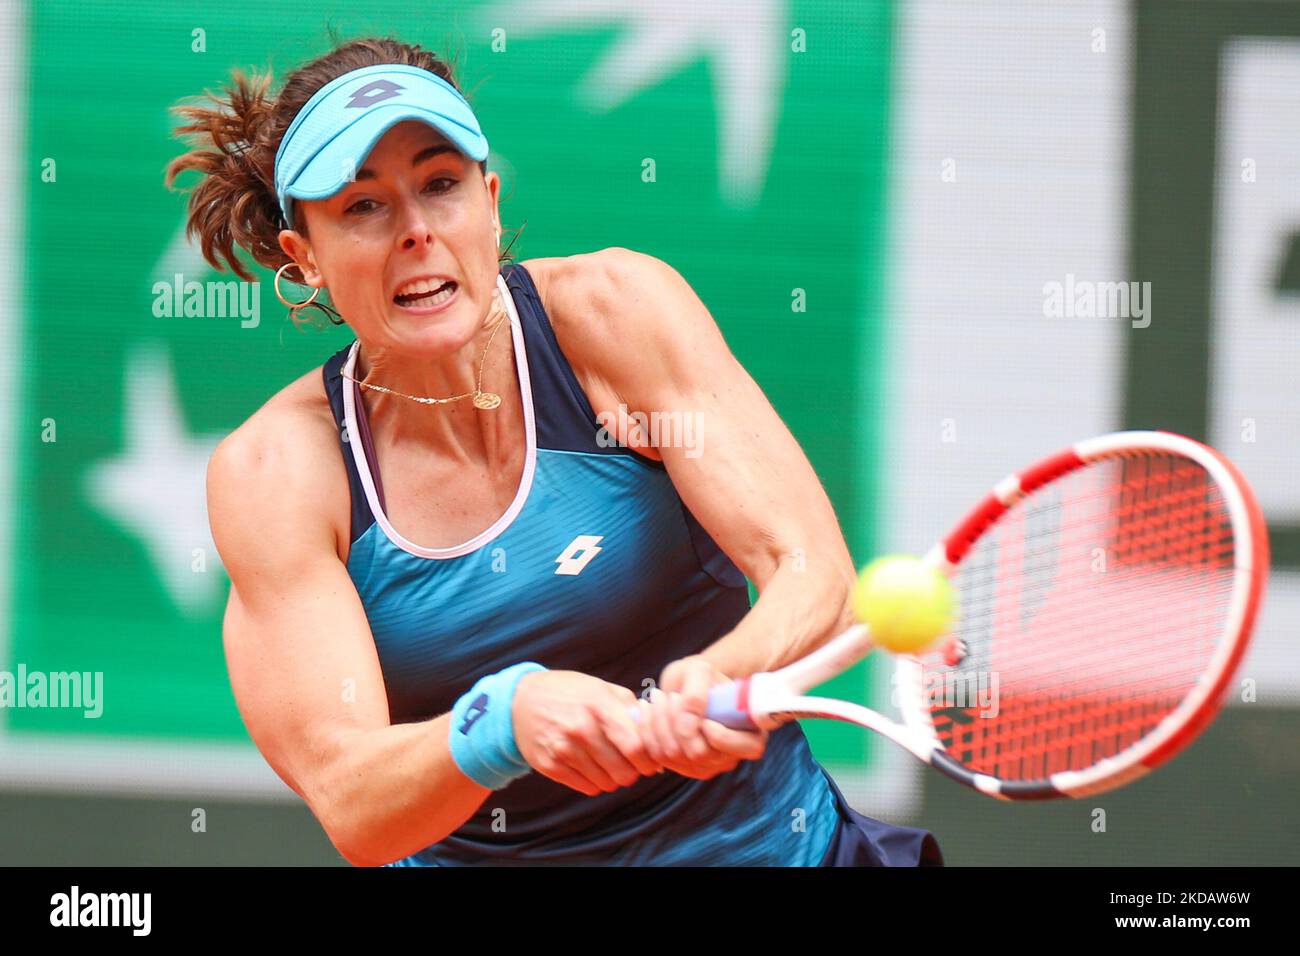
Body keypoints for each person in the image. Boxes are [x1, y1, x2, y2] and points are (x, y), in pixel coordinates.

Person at [167, 35, 943, 867]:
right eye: (364, 206)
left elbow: (808, 565)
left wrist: (724, 673)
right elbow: (351, 797)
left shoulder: (617, 314)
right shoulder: (275, 474)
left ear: (490, 202)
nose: (418, 231)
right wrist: (499, 723)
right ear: (304, 257)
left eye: (441, 185)